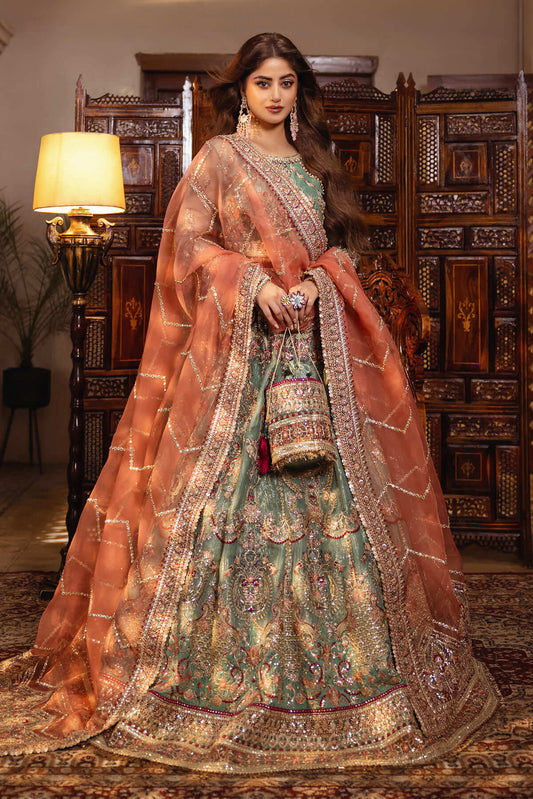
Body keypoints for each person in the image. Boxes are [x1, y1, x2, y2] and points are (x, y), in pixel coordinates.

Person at [0, 32, 498, 772]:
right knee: (225, 511)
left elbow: (343, 254)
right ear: (241, 91)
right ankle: (195, 677)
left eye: (286, 82)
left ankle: (364, 682)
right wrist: (255, 284)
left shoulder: (313, 163)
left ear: (299, 91)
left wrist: (318, 283)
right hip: (237, 368)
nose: (274, 94)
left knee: (340, 510)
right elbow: (187, 250)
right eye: (261, 82)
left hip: (315, 360)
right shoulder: (217, 162)